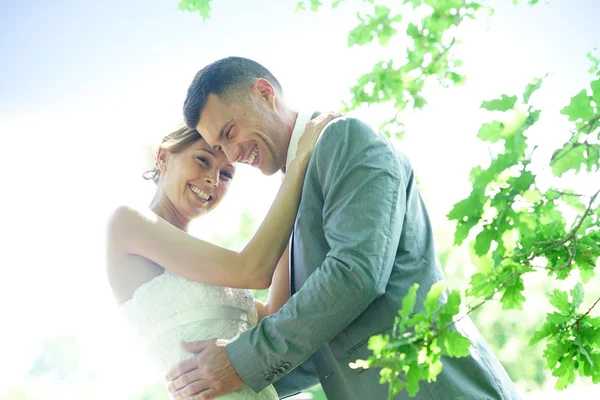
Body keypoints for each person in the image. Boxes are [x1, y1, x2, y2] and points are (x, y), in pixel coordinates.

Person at [166, 56, 521, 400]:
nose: (230, 155)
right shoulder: (294, 192)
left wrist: (241, 360)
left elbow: (356, 273)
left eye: (230, 132)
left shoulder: (344, 138)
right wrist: (218, 382)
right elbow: (324, 345)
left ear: (264, 93)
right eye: (217, 146)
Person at [106, 114, 339, 399]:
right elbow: (253, 270)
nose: (213, 179)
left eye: (226, 173)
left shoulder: (207, 265)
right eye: (203, 160)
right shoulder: (128, 222)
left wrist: (295, 202)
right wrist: (297, 164)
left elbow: (273, 316)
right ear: (163, 157)